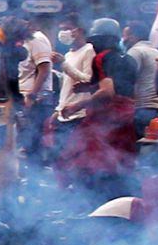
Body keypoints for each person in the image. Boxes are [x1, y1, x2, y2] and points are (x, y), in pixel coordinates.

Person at [53, 17, 139, 207]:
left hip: (106, 118)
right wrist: (88, 87)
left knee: (80, 158)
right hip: (127, 117)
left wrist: (78, 105)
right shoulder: (130, 59)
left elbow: (108, 92)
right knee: (120, 161)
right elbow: (124, 89)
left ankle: (89, 203)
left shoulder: (102, 58)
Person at [122, 21, 158, 134]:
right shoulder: (157, 52)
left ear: (133, 37)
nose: (123, 39)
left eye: (125, 35)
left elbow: (127, 80)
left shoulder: (135, 51)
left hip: (143, 108)